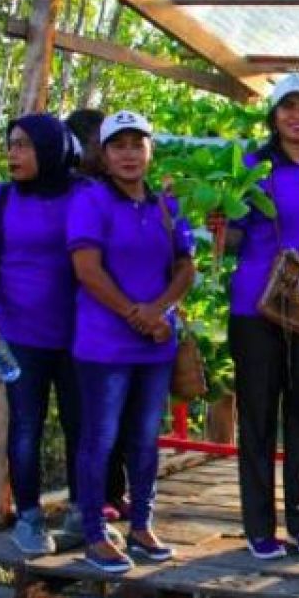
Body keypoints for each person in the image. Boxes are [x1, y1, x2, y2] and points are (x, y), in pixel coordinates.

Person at [68, 110, 195, 574]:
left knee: (145, 439)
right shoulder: (91, 201)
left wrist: (158, 309)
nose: (128, 154)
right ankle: (94, 535)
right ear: (103, 153)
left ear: (149, 150)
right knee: (99, 439)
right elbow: (87, 269)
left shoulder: (166, 204)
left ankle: (141, 525)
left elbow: (186, 265)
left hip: (156, 343)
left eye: (136, 144)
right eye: (118, 145)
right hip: (104, 345)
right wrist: (135, 314)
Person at [227, 74, 299, 559]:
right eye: (288, 107)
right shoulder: (253, 167)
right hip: (254, 306)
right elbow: (231, 238)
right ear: (274, 116)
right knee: (257, 418)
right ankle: (260, 527)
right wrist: (216, 221)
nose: (298, 117)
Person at [0, 114, 82, 555]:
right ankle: (29, 518)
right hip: (20, 335)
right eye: (11, 145)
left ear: (51, 149)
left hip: (81, 335)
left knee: (84, 426)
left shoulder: (87, 196)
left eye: (23, 145)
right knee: (25, 427)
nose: (13, 154)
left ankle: (83, 512)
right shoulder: (0, 201)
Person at [66, 107, 132, 526]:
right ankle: (90, 498)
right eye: (104, 144)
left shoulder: (124, 189)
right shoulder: (76, 191)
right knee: (88, 417)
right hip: (86, 313)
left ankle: (115, 490)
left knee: (120, 413)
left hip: (123, 316)